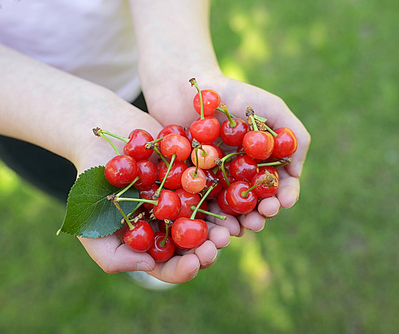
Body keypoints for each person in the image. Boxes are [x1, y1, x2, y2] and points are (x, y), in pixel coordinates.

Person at [0, 1, 310, 284]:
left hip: (136, 62)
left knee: (139, 200)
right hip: (26, 116)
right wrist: (79, 119)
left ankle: (149, 245)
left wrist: (181, 62)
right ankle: (144, 254)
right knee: (74, 185)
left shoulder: (185, 148)